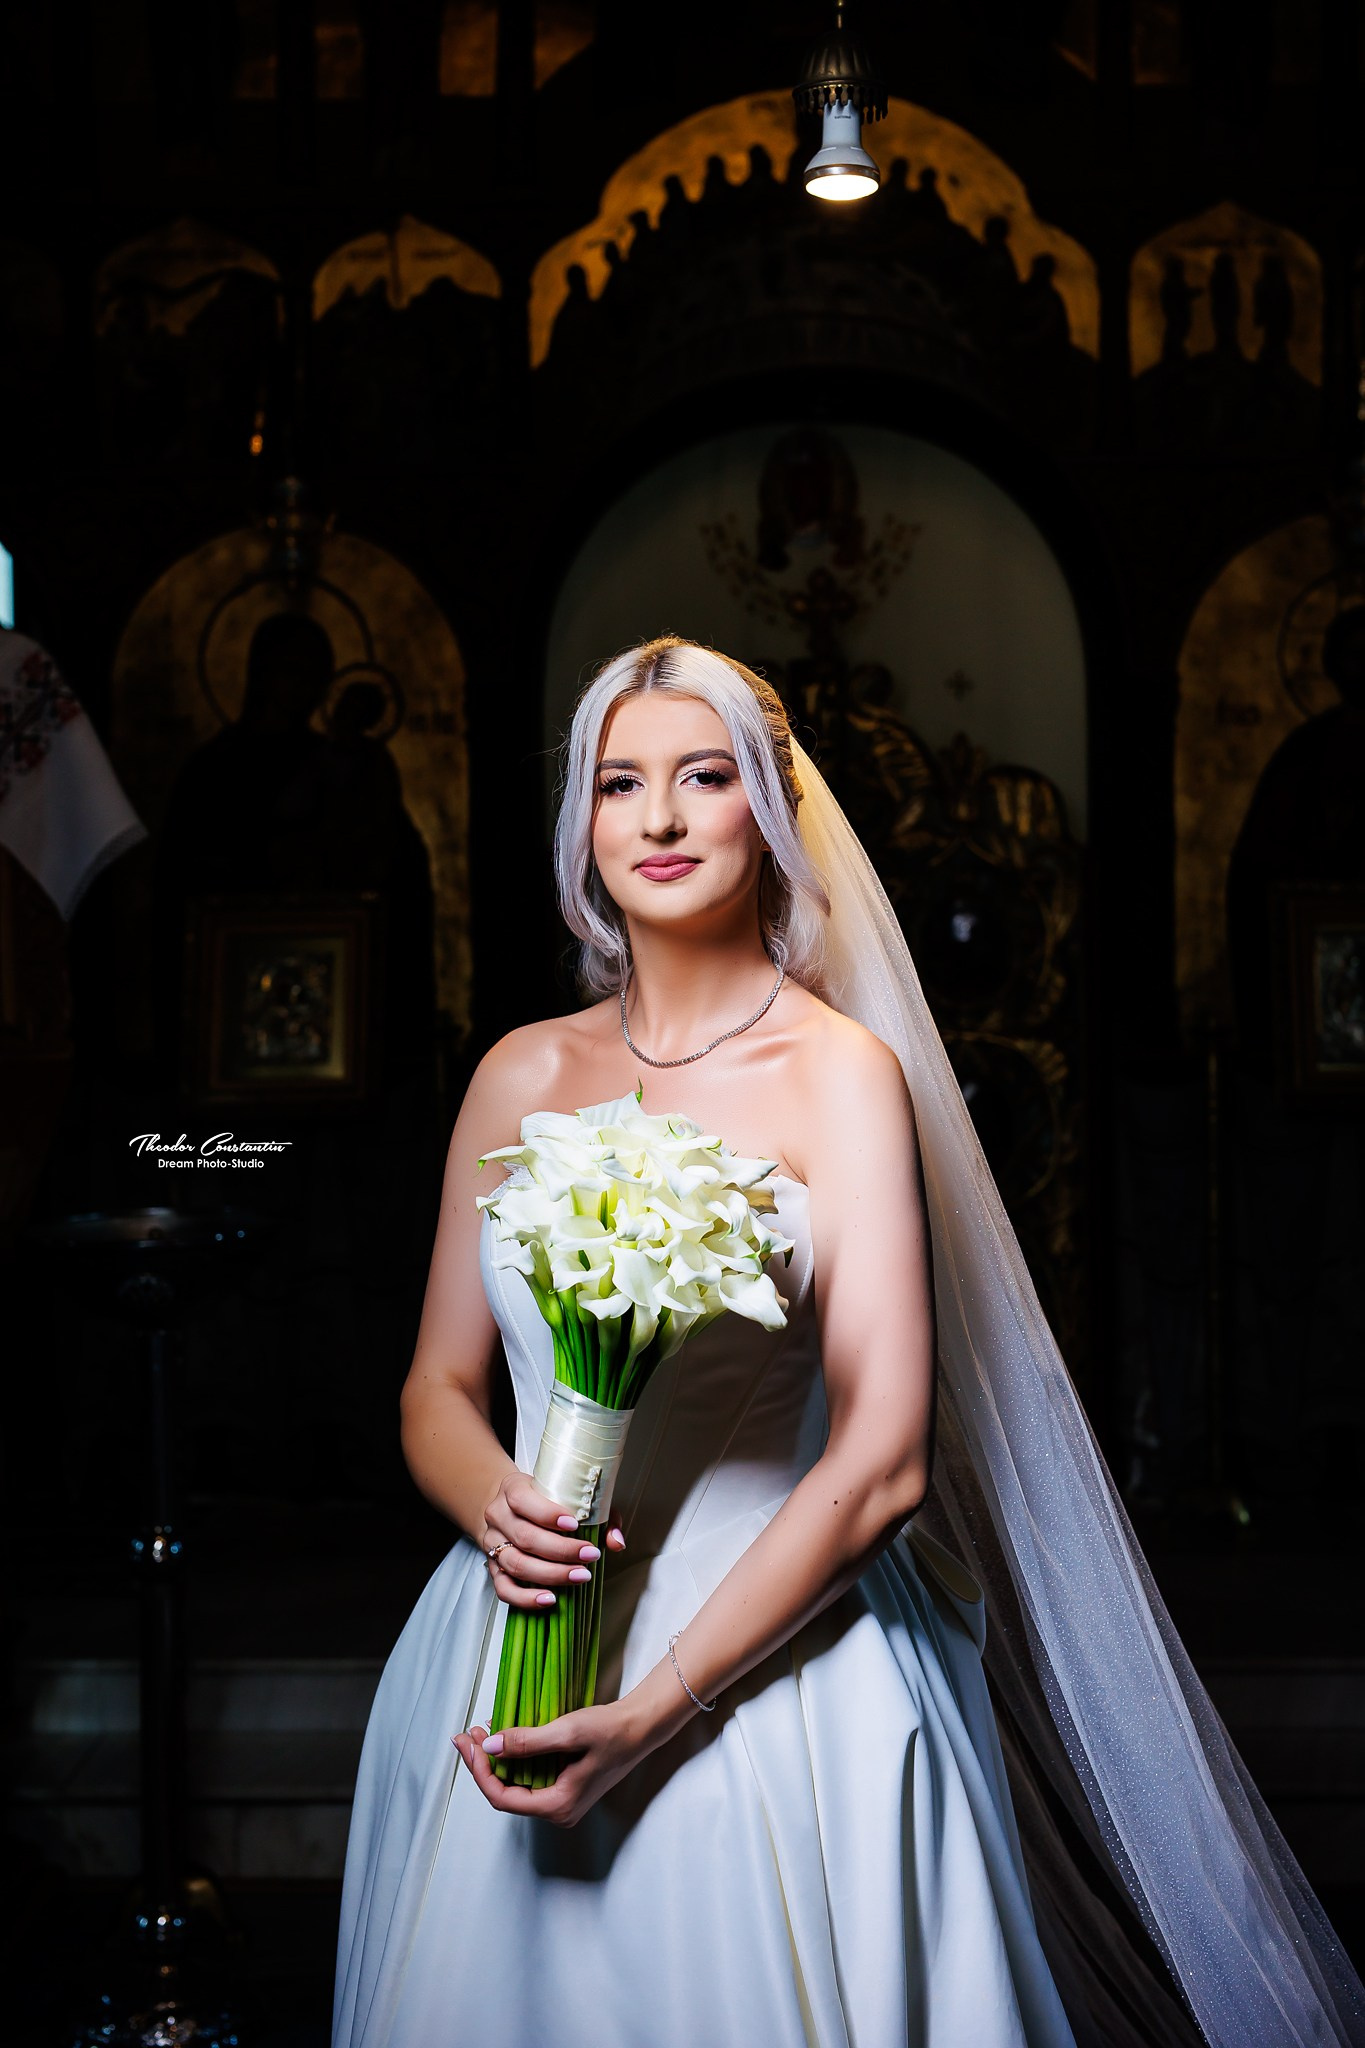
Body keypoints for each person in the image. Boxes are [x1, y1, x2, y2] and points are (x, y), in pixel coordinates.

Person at [333, 638, 1365, 2048]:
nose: (659, 817)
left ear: (772, 810)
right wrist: (497, 1508)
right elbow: (437, 1386)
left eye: (705, 777)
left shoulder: (841, 1076)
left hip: (777, 1670)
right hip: (502, 1638)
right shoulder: (520, 1070)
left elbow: (883, 1458)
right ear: (582, 823)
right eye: (619, 783)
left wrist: (655, 1707)